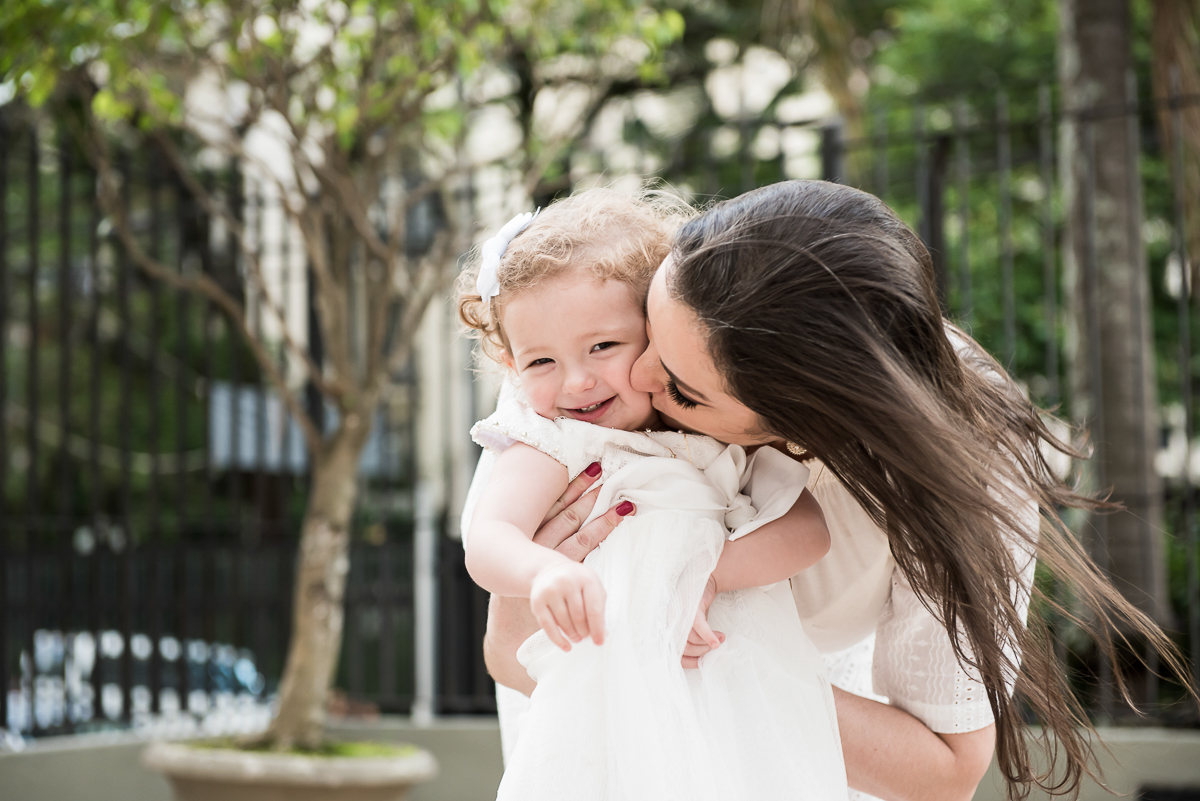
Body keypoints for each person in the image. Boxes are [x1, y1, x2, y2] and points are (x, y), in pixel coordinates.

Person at [481, 180, 1188, 801]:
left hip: (799, 746)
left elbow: (946, 770)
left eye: (684, 391)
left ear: (798, 432)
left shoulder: (966, 455)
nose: (634, 380)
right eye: (647, 340)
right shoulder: (595, 343)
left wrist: (712, 645)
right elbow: (510, 653)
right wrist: (560, 596)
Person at [457, 188, 848, 801]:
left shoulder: (712, 435)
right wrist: (540, 574)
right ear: (510, 363)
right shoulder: (556, 442)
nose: (576, 381)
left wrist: (708, 574)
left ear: (657, 332)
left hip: (739, 696)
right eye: (541, 362)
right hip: (612, 714)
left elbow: (808, 531)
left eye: (603, 347)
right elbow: (487, 540)